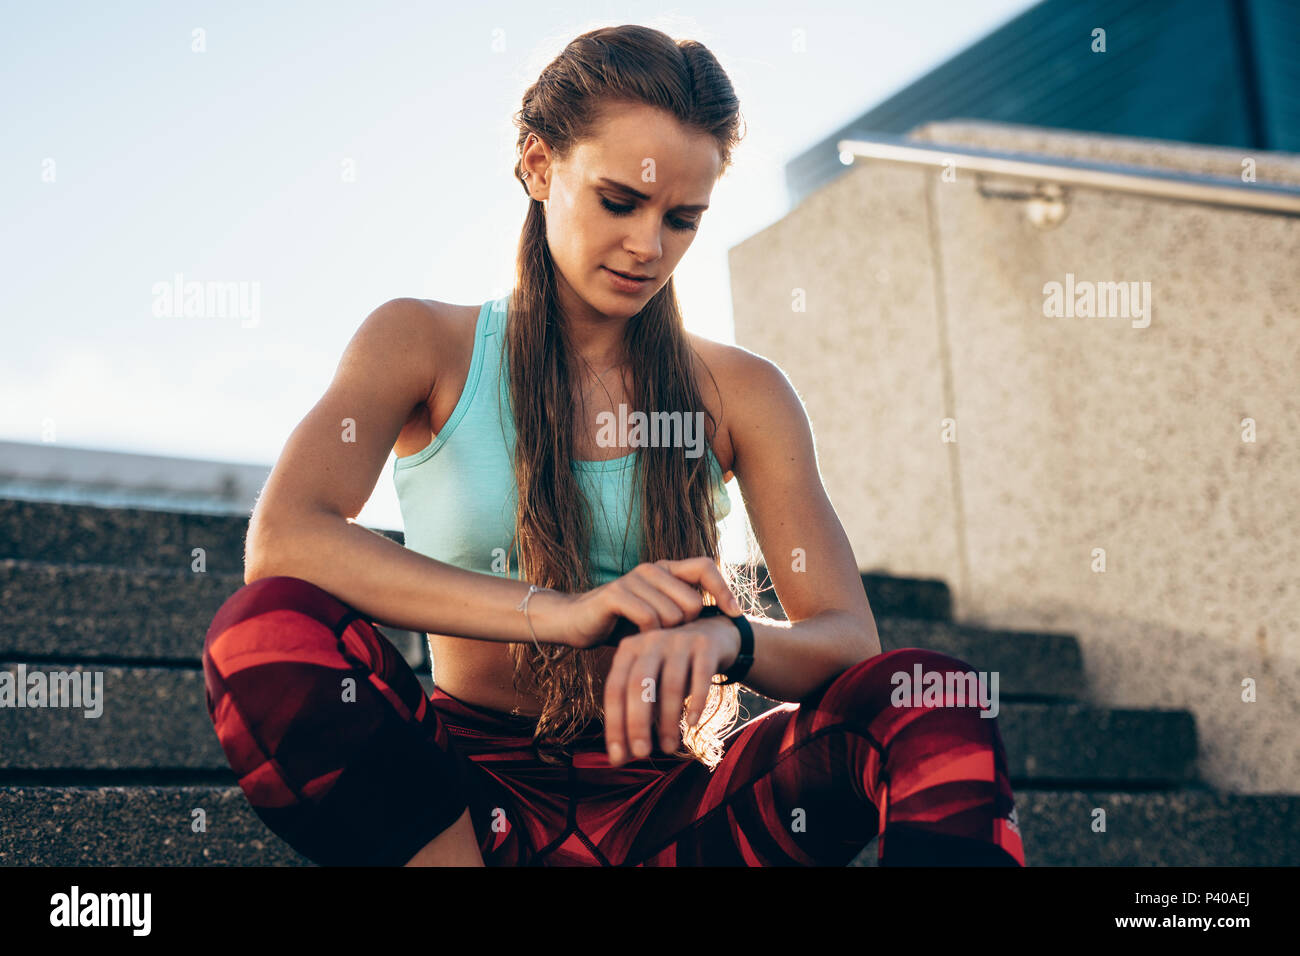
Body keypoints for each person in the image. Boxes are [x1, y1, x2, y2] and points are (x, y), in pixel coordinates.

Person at [202, 24, 1026, 867]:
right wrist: (561, 612)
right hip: (466, 807)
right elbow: (284, 541)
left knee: (932, 700)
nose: (648, 247)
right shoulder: (421, 342)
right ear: (538, 165)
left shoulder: (742, 392)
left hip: (674, 812)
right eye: (619, 202)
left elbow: (850, 642)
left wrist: (730, 640)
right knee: (261, 632)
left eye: (682, 219)